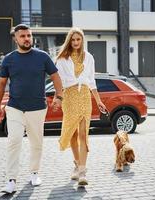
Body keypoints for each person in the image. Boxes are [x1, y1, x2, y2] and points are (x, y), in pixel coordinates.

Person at [0, 24, 63, 194]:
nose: (27, 39)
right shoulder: (9, 59)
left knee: (36, 143)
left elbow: (55, 76)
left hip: (37, 108)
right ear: (15, 39)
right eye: (23, 36)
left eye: (29, 35)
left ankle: (34, 173)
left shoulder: (42, 57)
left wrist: (59, 97)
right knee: (14, 141)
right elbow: (1, 83)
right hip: (15, 107)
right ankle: (11, 180)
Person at [55, 27, 106, 187]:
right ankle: (77, 163)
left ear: (82, 40)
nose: (76, 42)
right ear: (69, 41)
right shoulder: (62, 59)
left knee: (83, 134)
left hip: (84, 96)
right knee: (72, 133)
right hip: (69, 97)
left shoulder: (89, 57)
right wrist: (58, 98)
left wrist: (98, 100)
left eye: (78, 39)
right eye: (73, 39)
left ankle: (83, 171)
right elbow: (60, 82)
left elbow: (91, 81)